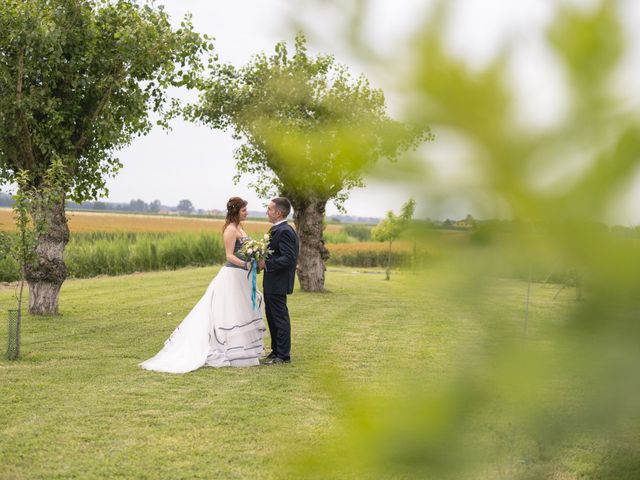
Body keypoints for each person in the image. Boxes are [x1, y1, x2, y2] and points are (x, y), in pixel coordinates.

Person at [140, 197, 266, 373]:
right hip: (232, 275)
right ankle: (226, 348)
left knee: (241, 309)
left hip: (242, 276)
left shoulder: (241, 227)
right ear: (236, 211)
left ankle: (243, 348)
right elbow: (229, 255)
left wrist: (256, 259)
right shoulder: (230, 229)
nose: (247, 212)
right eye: (244, 210)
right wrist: (246, 264)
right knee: (230, 310)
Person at [258, 197, 299, 365]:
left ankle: (283, 355)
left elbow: (289, 258)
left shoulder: (285, 231)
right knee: (272, 316)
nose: (267, 211)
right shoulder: (276, 229)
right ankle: (276, 351)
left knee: (279, 317)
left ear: (278, 212)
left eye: (269, 209)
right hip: (272, 281)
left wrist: (265, 263)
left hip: (279, 282)